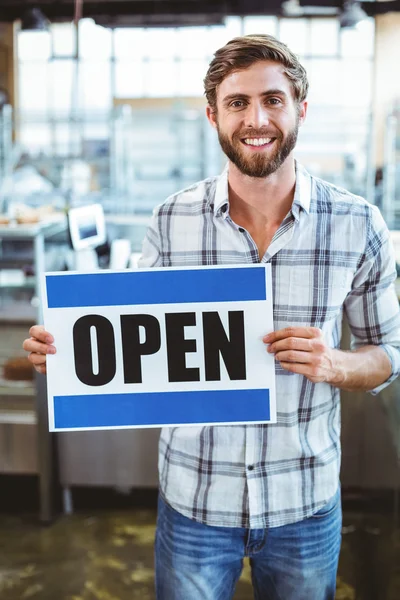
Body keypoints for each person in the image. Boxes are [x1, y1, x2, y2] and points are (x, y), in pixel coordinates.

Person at [23, 34, 400, 600]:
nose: (257, 118)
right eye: (238, 102)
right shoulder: (171, 218)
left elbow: (389, 353)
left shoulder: (358, 223)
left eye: (273, 99)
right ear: (212, 115)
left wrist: (337, 364)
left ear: (301, 107)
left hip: (303, 499)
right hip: (195, 500)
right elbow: (137, 347)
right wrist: (68, 356)